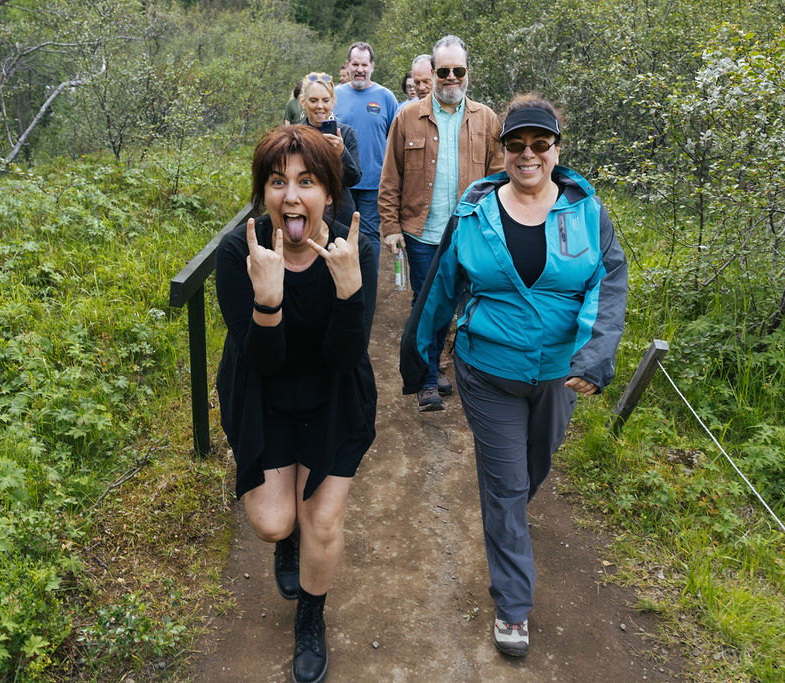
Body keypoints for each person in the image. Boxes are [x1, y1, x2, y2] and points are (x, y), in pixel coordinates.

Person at [400, 94, 628, 658]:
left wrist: (596, 357)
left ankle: (509, 525)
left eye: (539, 144)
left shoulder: (587, 213)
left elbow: (607, 286)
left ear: (556, 149)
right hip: (488, 370)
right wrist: (417, 353)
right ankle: (513, 606)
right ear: (502, 150)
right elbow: (443, 286)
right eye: (516, 144)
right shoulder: (475, 212)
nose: (528, 154)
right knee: (505, 485)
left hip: (559, 376)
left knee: (529, 473)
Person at [215, 125, 378, 683]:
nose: (291, 195)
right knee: (273, 521)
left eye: (306, 181)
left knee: (322, 521)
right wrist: (267, 300)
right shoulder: (240, 251)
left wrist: (350, 290)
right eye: (277, 181)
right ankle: (285, 542)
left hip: (333, 394)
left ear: (329, 193)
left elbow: (345, 356)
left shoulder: (353, 251)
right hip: (263, 395)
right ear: (262, 192)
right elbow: (262, 361)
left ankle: (311, 617)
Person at [380, 35, 502, 412]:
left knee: (469, 307)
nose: (451, 77)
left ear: (468, 73)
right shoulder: (407, 117)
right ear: (432, 72)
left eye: (458, 71)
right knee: (428, 306)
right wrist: (391, 227)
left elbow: (500, 182)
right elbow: (391, 177)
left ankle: (462, 374)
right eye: (444, 70)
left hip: (471, 235)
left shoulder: (487, 119)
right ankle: (428, 380)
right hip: (422, 234)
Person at [334, 41, 398, 268]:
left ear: (372, 66)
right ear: (347, 65)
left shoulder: (386, 97)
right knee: (340, 234)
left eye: (364, 64)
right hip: (341, 182)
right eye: (355, 64)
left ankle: (368, 283)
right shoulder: (334, 96)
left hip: (373, 183)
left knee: (370, 236)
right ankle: (343, 282)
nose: (359, 69)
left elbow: (395, 138)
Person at [299, 71, 362, 226]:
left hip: (339, 212)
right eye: (313, 100)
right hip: (304, 209)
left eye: (325, 100)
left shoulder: (346, 133)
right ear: (303, 102)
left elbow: (353, 179)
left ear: (332, 102)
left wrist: (342, 153)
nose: (320, 106)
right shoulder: (295, 135)